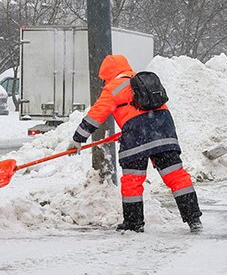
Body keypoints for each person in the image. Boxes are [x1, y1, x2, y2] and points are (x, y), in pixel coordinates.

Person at [69, 55, 202, 233]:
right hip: (164, 132)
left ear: (107, 75)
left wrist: (78, 139)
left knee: (132, 180)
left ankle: (134, 223)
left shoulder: (113, 88)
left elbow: (95, 116)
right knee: (177, 176)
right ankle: (194, 218)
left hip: (137, 137)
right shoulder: (142, 80)